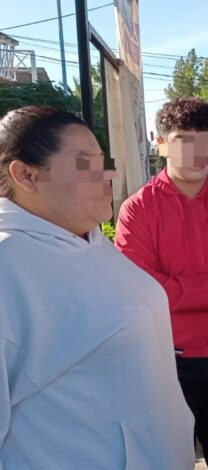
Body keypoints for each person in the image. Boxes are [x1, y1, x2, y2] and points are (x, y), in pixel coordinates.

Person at [0, 106, 194, 468]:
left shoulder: (87, 239)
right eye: (85, 163)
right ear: (26, 175)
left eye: (102, 162)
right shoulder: (8, 265)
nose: (107, 174)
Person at [115, 97, 208, 470]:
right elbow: (141, 290)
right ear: (161, 143)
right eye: (185, 141)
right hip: (164, 360)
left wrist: (179, 288)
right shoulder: (138, 209)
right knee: (166, 460)